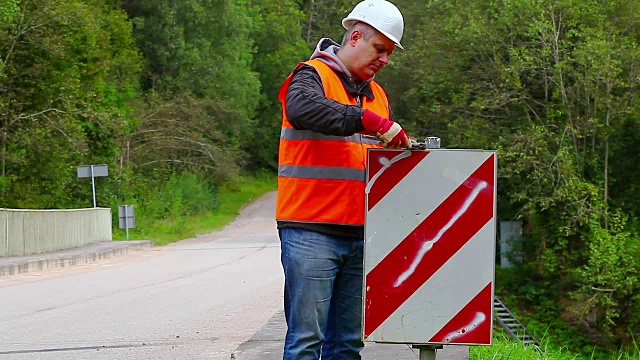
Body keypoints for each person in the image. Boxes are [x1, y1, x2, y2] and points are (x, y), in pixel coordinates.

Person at [275, 1, 411, 359]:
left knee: (348, 345)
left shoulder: (377, 95)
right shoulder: (311, 75)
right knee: (306, 342)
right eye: (379, 49)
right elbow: (303, 109)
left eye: (389, 53)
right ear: (354, 37)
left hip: (359, 234)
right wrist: (373, 122)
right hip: (310, 229)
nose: (385, 59)